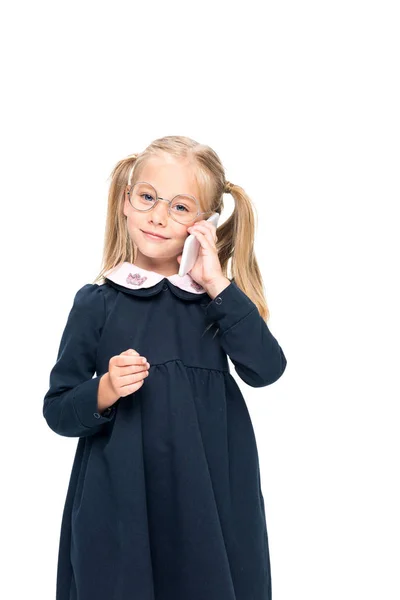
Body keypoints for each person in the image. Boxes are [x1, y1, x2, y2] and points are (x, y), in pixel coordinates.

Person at [43, 135, 287, 600]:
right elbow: (57, 411)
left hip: (209, 500)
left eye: (180, 207)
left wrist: (216, 282)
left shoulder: (216, 305)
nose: (157, 216)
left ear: (206, 224)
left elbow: (267, 369)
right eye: (148, 197)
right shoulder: (97, 302)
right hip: (121, 499)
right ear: (125, 203)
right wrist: (106, 389)